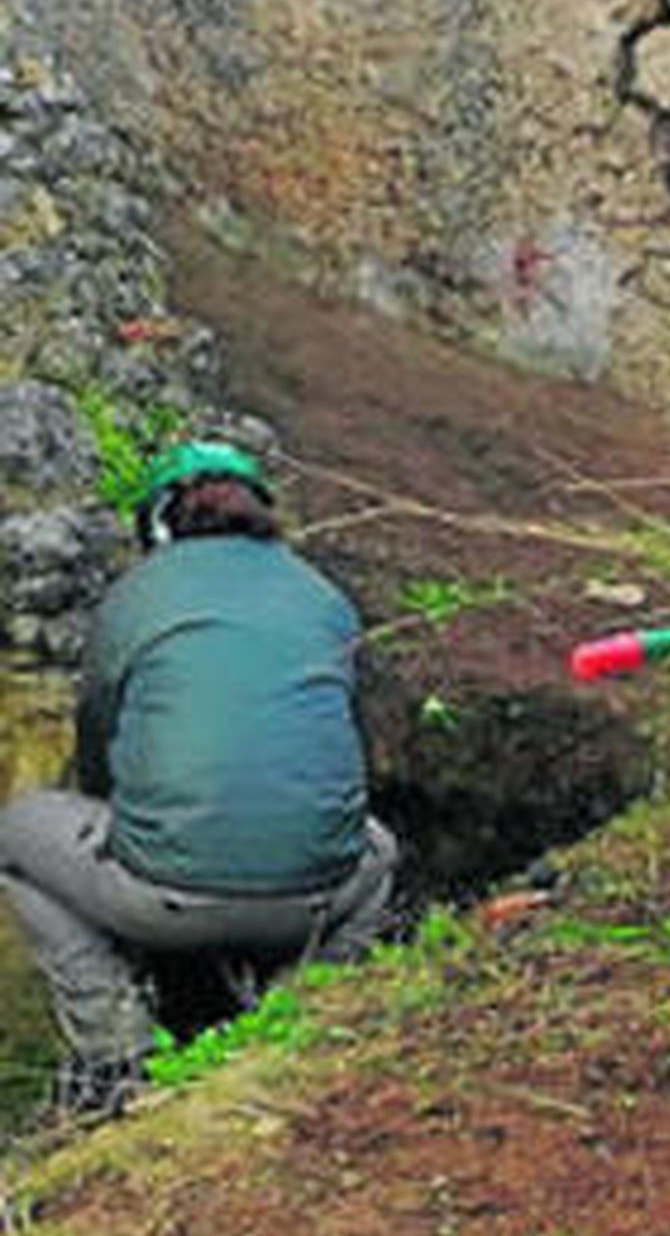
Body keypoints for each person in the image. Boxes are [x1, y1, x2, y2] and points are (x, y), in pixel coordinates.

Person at [0, 439, 397, 1117]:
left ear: (158, 524)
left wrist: (126, 824)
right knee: (381, 848)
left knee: (13, 836)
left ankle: (114, 1053)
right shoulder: (323, 596)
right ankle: (302, 1015)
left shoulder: (135, 595)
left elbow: (98, 740)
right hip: (317, 899)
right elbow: (351, 747)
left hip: (164, 899)